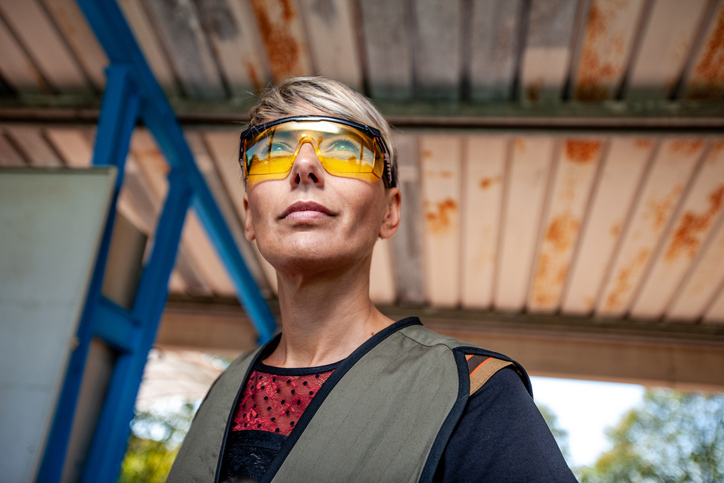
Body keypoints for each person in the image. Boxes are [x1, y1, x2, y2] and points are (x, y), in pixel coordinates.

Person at [167, 77, 577, 482]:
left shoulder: (474, 392)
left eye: (345, 148)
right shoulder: (224, 391)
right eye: (273, 150)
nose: (304, 166)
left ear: (390, 211)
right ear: (248, 215)